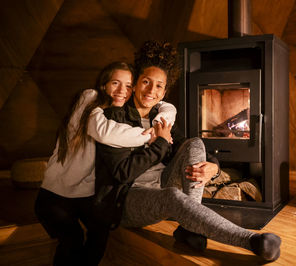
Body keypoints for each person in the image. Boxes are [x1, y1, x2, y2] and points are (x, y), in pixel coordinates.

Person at [95, 41, 281, 262]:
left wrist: (214, 166)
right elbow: (122, 174)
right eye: (146, 82)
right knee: (171, 195)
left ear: (164, 91)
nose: (151, 90)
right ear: (135, 84)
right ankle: (250, 240)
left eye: (159, 86)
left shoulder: (162, 117)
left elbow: (185, 145)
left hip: (162, 185)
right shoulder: (116, 118)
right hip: (126, 200)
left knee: (195, 143)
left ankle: (190, 229)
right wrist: (161, 144)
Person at [34, 61, 177, 266]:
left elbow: (166, 105)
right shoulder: (89, 99)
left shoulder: (117, 113)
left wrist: (160, 122)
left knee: (99, 239)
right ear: (103, 85)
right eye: (115, 83)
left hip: (85, 198)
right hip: (56, 197)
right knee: (72, 242)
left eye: (128, 86)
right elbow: (104, 133)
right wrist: (155, 135)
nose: (122, 91)